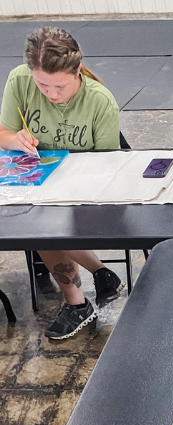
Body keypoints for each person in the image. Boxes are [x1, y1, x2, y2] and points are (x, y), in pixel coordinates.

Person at [0, 27, 124, 340]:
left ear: (78, 71)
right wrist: (16, 139)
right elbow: (3, 135)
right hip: (37, 183)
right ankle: (100, 275)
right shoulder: (19, 80)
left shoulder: (99, 101)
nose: (52, 95)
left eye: (60, 87)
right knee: (35, 216)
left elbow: (109, 166)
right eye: (43, 85)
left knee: (40, 223)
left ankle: (77, 302)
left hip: (86, 191)